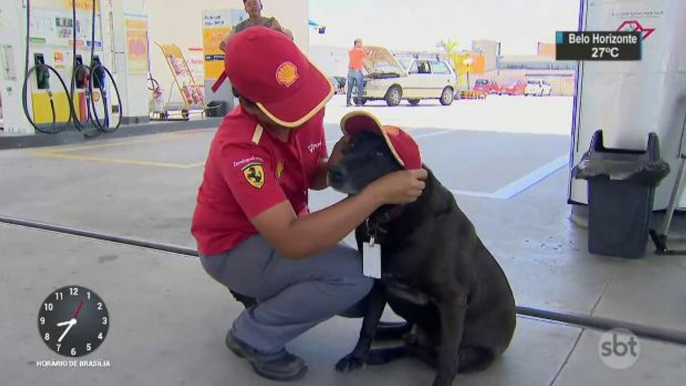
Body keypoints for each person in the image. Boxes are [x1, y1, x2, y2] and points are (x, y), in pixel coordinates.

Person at [191, 27, 427, 382]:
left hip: (276, 233)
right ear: (250, 105)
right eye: (288, 111)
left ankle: (266, 295)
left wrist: (331, 167)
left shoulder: (303, 110)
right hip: (233, 247)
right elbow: (292, 240)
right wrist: (376, 194)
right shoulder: (240, 147)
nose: (302, 116)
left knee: (365, 295)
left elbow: (309, 176)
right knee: (353, 277)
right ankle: (253, 335)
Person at [218, 0, 293, 52]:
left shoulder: (271, 22)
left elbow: (289, 38)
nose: (252, 7)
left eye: (255, 3)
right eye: (249, 4)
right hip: (249, 66)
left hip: (269, 63)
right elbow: (223, 45)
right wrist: (238, 55)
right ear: (245, 9)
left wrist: (278, 29)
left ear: (261, 6)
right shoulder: (239, 27)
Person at [346, 38, 370, 107]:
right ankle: (359, 103)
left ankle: (348, 102)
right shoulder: (360, 51)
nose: (361, 44)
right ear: (357, 43)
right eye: (360, 43)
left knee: (350, 87)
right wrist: (366, 51)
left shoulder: (350, 51)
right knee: (360, 87)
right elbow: (366, 56)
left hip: (350, 71)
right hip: (357, 71)